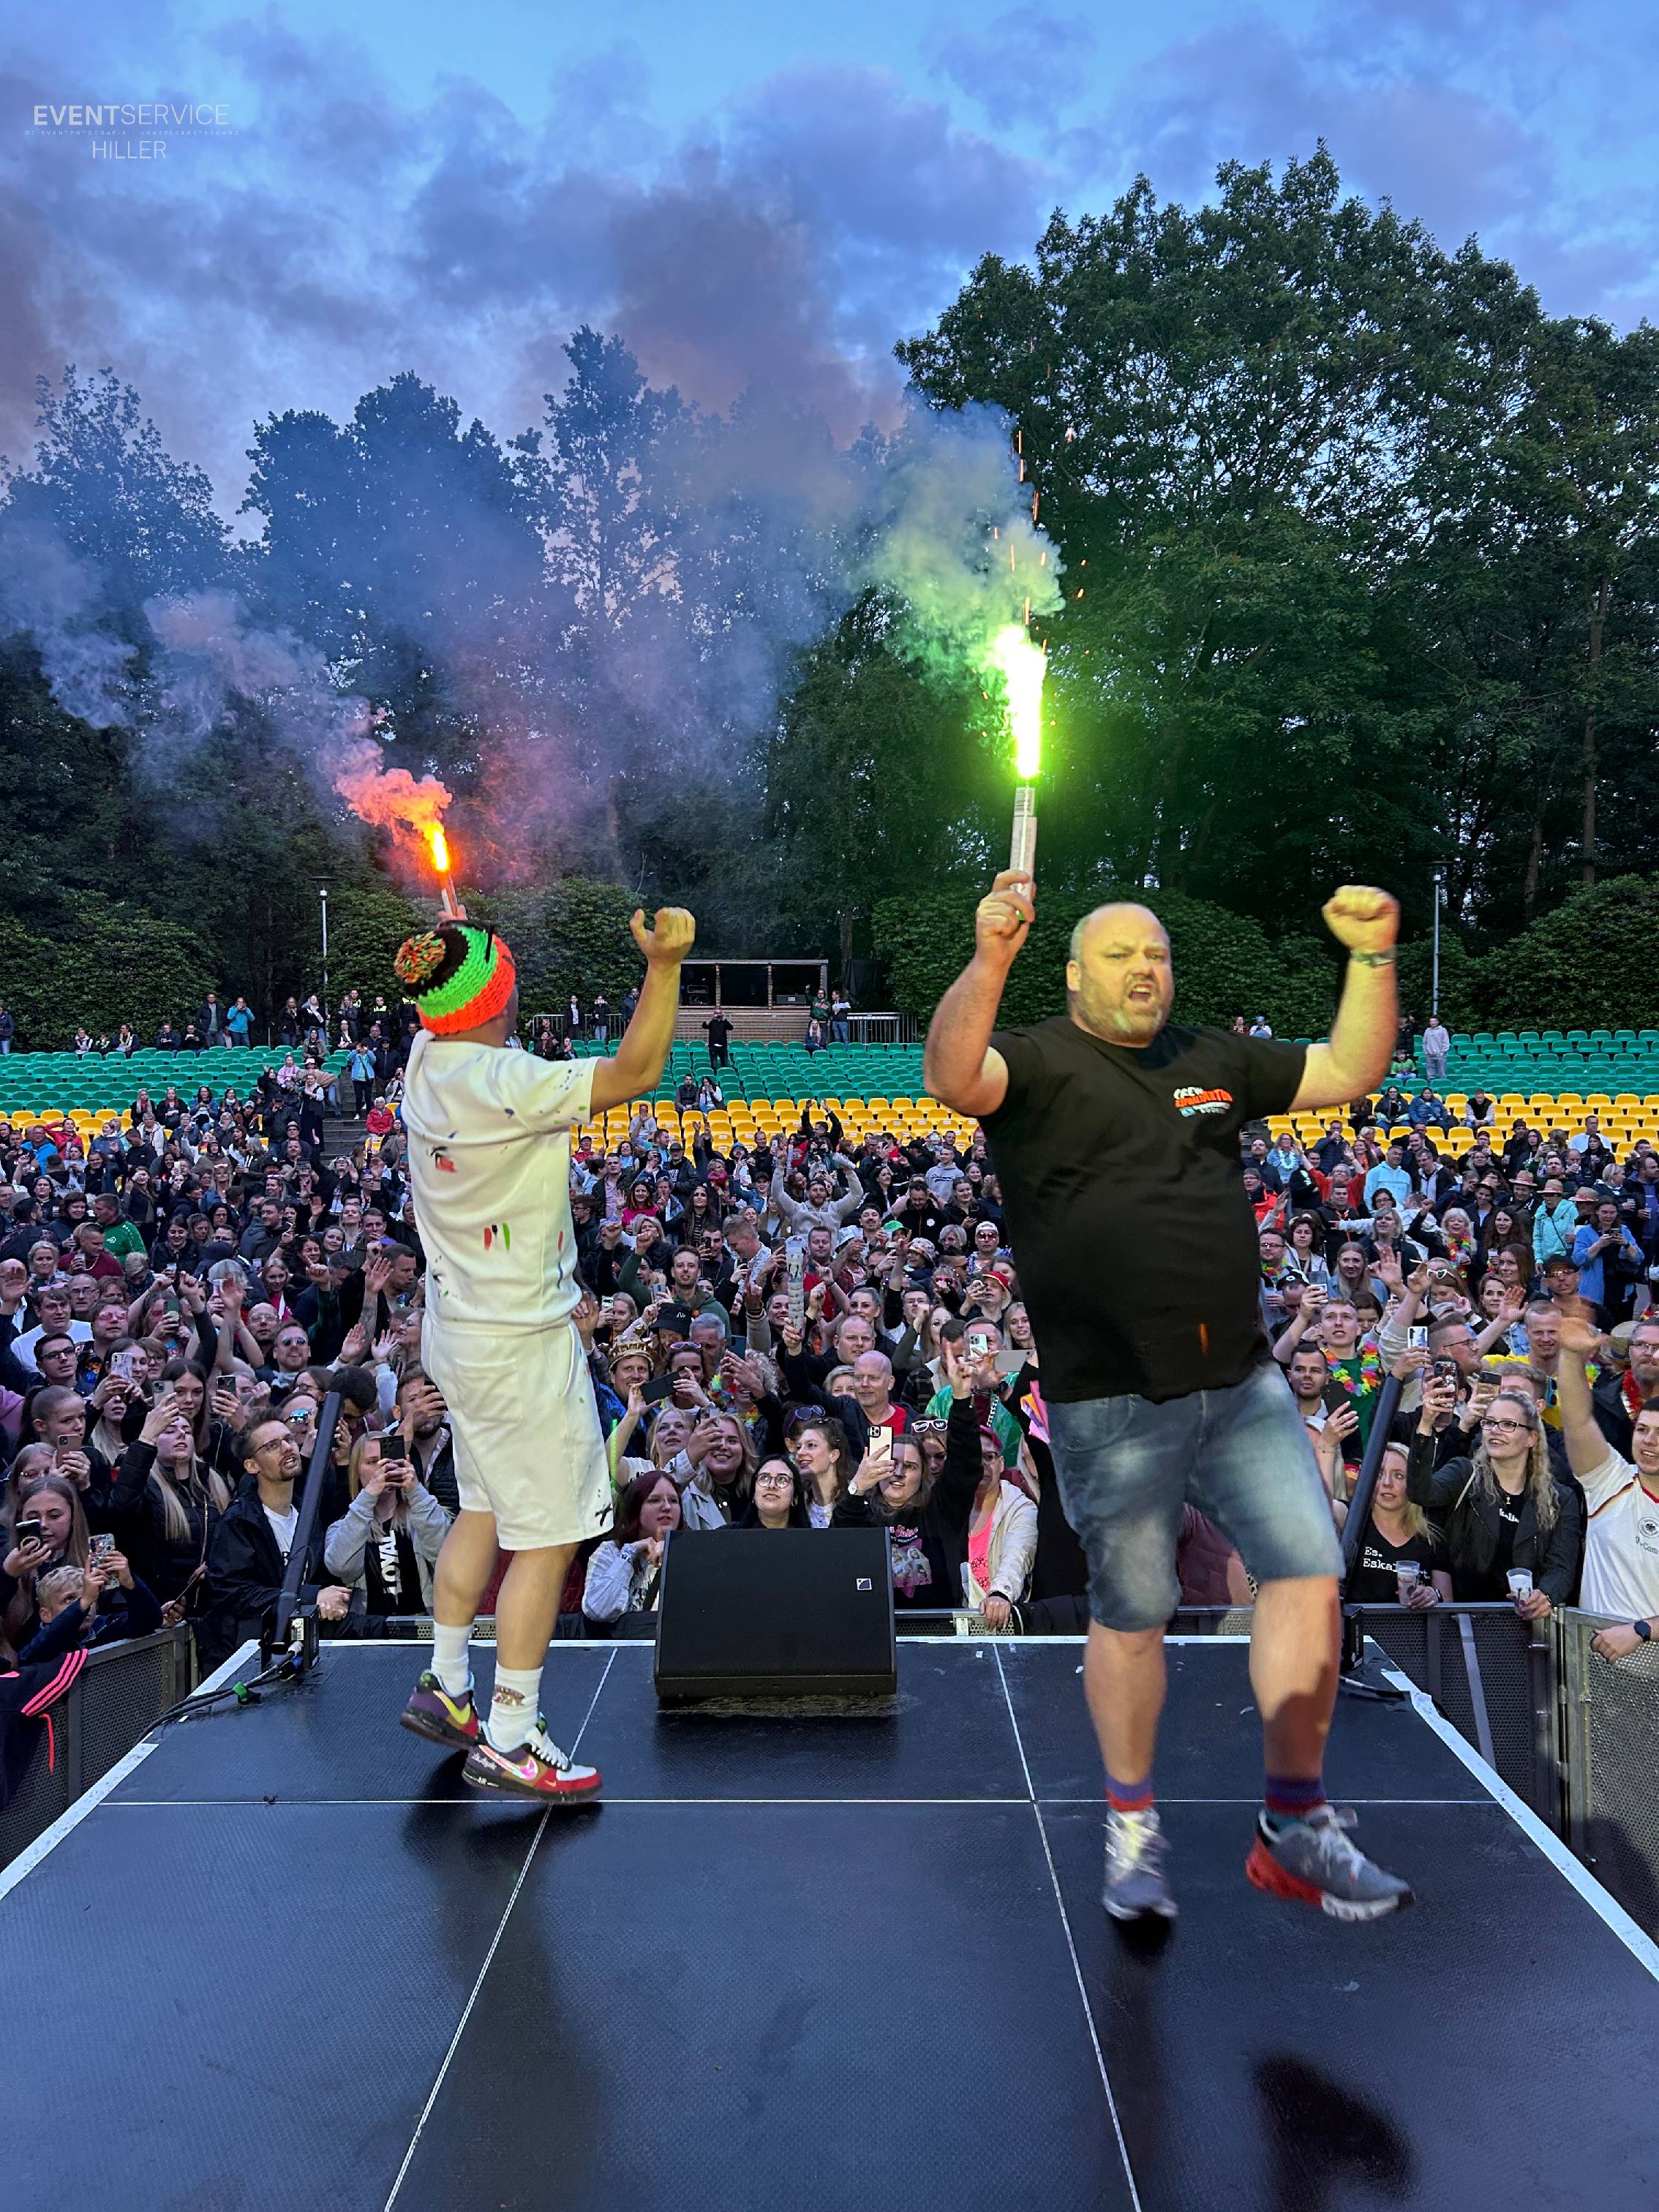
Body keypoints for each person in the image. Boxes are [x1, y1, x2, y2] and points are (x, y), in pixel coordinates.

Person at [925, 870, 1413, 1922]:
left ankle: (1293, 1822)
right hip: (1111, 1401)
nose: (1145, 969)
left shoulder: (1214, 1057)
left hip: (1240, 1383)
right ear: (1074, 975)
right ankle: (1133, 1825)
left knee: (1309, 1573)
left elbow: (1348, 1068)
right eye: (1120, 956)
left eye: (1157, 955)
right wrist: (990, 957)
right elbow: (952, 1075)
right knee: (1134, 1613)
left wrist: (1373, 955)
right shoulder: (1039, 1060)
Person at [395, 904, 693, 1801]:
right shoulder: (506, 1080)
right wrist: (664, 965)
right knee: (551, 1535)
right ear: (500, 994)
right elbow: (638, 1071)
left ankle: (449, 1684)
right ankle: (513, 1734)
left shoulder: (424, 1060)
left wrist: (457, 950)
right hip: (521, 1342)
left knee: (485, 1506)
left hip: (456, 1331)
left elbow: (453, 994)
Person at [1404, 1388, 1581, 1611]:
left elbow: (1562, 1567)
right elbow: (1421, 1492)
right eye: (1489, 1423)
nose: (1495, 1431)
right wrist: (1425, 1425)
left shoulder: (1561, 1499)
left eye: (1508, 1425)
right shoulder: (1464, 1473)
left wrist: (1546, 1595)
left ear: (1531, 1438)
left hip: (1527, 1621)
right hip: (1465, 1618)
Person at [1553, 1308, 1659, 1656]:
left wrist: (1643, 1630)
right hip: (1598, 1672)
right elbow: (1578, 1421)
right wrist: (1571, 1356)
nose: (1649, 1441)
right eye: (1642, 1430)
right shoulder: (1610, 1481)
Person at [322, 1432, 451, 1618]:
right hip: (369, 1630)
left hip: (423, 1626)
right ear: (356, 1472)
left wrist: (416, 1491)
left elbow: (446, 1557)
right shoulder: (343, 1526)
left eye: (388, 1460)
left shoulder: (423, 1514)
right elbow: (341, 1567)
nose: (383, 1468)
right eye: (372, 1462)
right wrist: (368, 1497)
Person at [582, 1471, 680, 1625]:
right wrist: (630, 1552)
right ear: (635, 1508)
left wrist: (673, 1553)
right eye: (655, 1500)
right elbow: (599, 1610)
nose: (667, 1507)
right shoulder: (610, 1551)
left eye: (673, 1501)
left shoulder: (690, 1554)